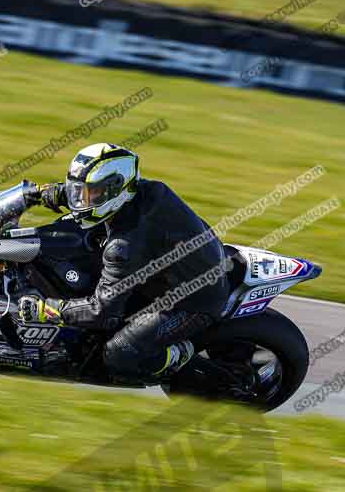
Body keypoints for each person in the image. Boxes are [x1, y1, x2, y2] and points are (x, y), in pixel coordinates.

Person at [19, 143, 231, 381]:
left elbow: (102, 312)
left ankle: (179, 356)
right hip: (178, 268)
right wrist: (42, 193)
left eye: (89, 193)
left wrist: (48, 309)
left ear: (115, 189)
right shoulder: (143, 191)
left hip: (192, 301)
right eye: (78, 191)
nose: (81, 200)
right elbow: (90, 196)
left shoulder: (124, 246)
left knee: (119, 353)